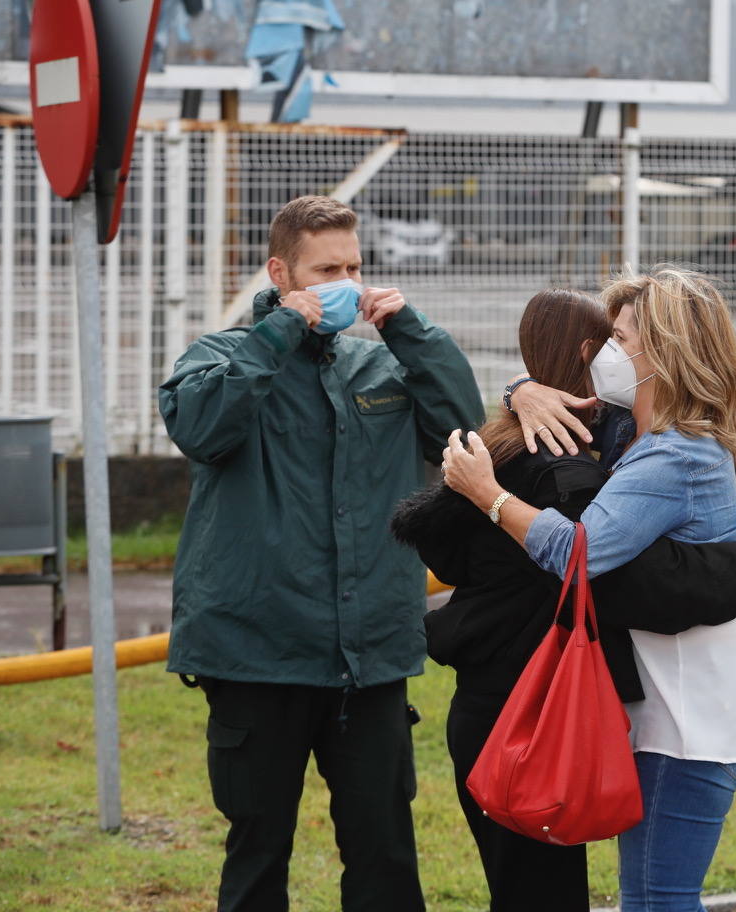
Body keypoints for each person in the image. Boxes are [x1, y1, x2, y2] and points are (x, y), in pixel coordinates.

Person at [389, 288, 736, 912]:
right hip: (664, 704)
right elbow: (575, 404)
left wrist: (487, 493)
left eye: (620, 342)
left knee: (656, 897)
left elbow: (580, 556)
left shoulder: (671, 453)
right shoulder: (630, 432)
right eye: (603, 343)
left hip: (695, 710)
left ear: (665, 356)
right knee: (646, 894)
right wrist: (524, 387)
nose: (607, 356)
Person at [158, 195, 483, 912]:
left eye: (355, 267)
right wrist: (277, 334)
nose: (345, 281)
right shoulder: (220, 356)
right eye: (325, 269)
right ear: (281, 273)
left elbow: (465, 433)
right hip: (257, 655)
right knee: (257, 853)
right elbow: (202, 428)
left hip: (367, 660)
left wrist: (413, 333)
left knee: (385, 855)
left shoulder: (379, 365)